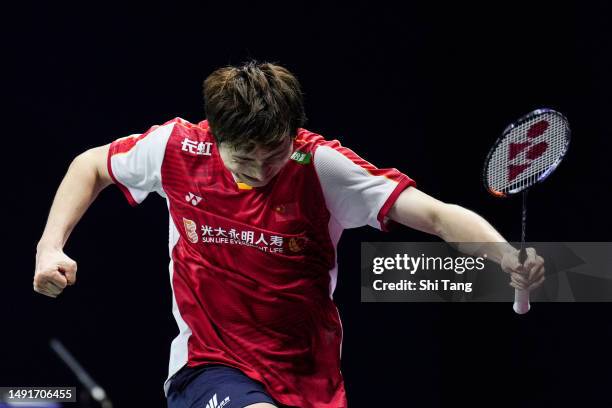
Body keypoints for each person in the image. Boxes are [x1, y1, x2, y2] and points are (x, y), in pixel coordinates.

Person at [33, 61, 545, 408]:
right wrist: (49, 247)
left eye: (274, 151)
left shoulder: (323, 167)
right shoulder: (175, 150)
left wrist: (503, 257)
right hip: (209, 364)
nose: (261, 168)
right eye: (244, 155)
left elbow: (435, 216)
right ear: (214, 134)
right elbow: (91, 165)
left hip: (309, 381)